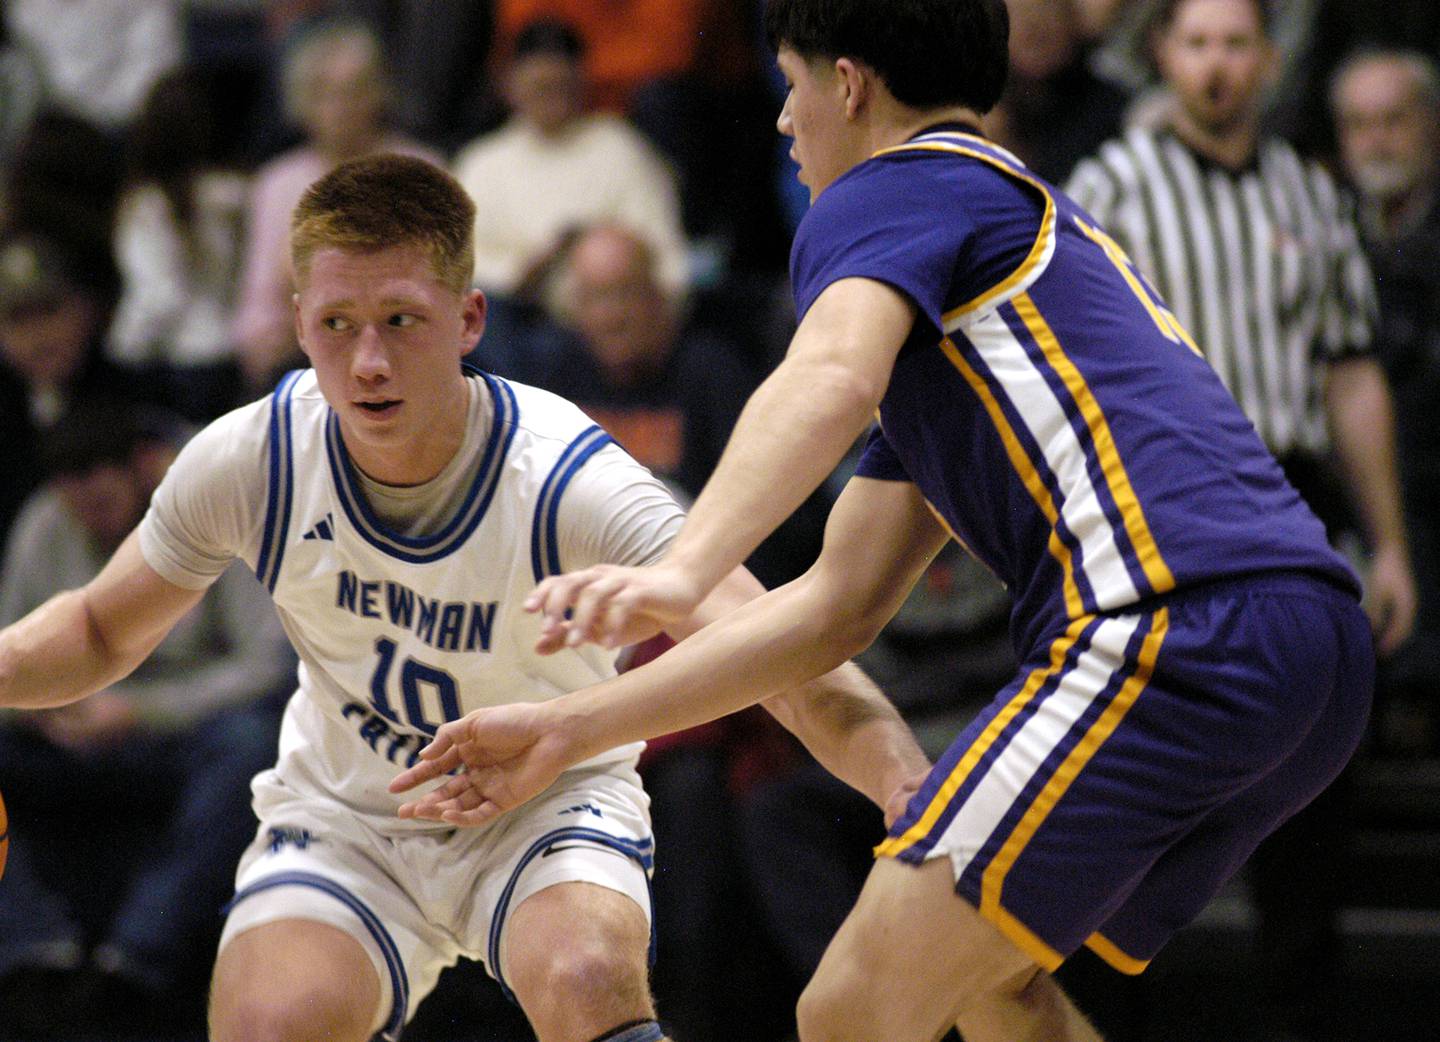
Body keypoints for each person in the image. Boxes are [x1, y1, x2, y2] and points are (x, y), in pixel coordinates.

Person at [389, 3, 1376, 1041]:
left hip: (1177, 626)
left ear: (850, 86)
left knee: (849, 1009)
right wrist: (570, 728)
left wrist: (684, 568)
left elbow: (828, 370)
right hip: (1305, 640)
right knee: (987, 981)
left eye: (791, 84)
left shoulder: (896, 182)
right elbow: (833, 608)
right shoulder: (988, 264)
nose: (782, 122)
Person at [0, 153, 927, 1042]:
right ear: (296, 321)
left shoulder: (566, 474)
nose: (366, 361)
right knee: (266, 1021)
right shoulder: (254, 456)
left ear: (470, 318)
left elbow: (777, 647)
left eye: (400, 321)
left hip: (547, 795)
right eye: (336, 325)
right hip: (352, 812)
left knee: (585, 978)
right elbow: (92, 629)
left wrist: (904, 785)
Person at [0, 400, 291, 1039]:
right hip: (64, 722)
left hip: (171, 725)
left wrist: (138, 711)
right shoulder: (45, 523)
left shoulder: (207, 508)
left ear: (143, 469)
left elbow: (264, 663)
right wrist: (51, 708)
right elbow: (15, 645)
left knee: (251, 740)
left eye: (102, 501)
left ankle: (135, 959)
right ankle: (30, 953)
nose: (90, 519)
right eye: (76, 504)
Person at [230, 16, 441, 392]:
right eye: (325, 92)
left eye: (356, 90)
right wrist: (264, 343)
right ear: (302, 102)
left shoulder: (422, 169)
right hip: (302, 357)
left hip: (405, 353)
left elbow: (442, 283)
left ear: (379, 92)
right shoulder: (277, 184)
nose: (342, 106)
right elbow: (260, 301)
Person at [1331, 48, 1440, 751]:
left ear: (1430, 124)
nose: (1376, 140)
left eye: (1394, 120)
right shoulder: (1317, 231)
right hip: (1353, 504)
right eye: (1358, 123)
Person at [451, 18, 690, 312]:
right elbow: (460, 267)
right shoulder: (482, 163)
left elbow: (667, 260)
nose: (551, 99)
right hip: (517, 322)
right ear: (510, 85)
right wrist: (526, 271)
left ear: (581, 81)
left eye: (560, 87)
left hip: (609, 321)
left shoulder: (620, 149)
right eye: (541, 87)